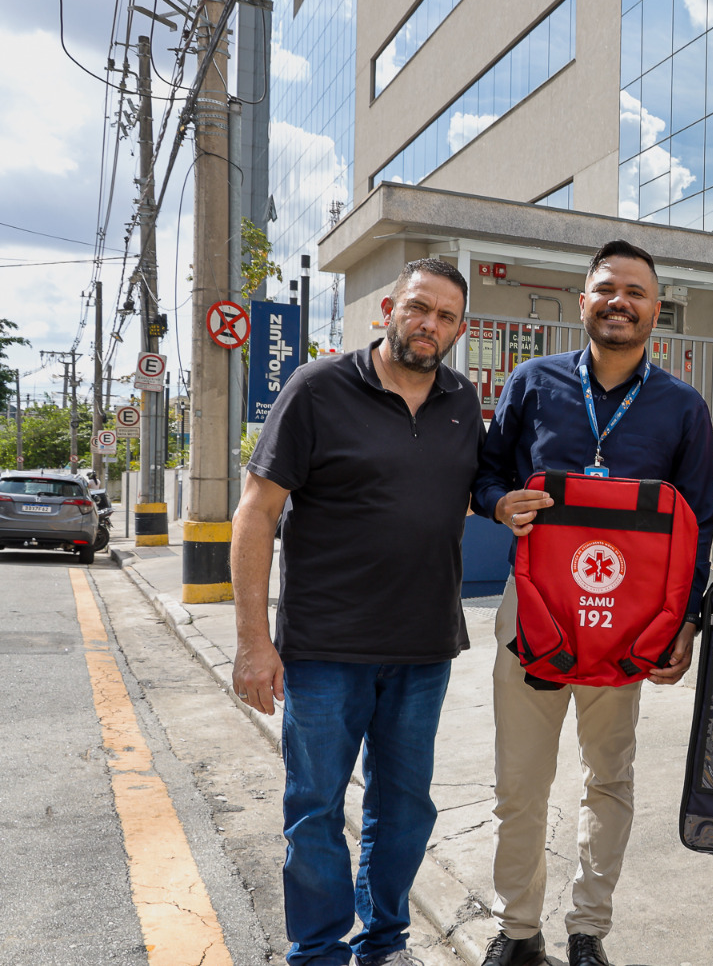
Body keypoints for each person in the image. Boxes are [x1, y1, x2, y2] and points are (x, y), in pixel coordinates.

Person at [231, 257, 482, 966]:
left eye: (445, 316)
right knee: (314, 808)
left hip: (423, 647)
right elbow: (256, 513)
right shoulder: (317, 389)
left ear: (459, 330)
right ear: (386, 309)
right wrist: (254, 640)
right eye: (418, 308)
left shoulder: (463, 401)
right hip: (324, 650)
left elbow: (467, 491)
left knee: (404, 811)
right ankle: (317, 953)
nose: (429, 324)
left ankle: (384, 941)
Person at [473, 239, 713, 966]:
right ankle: (518, 932)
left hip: (629, 624)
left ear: (656, 311)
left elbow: (697, 522)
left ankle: (588, 931)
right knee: (520, 783)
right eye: (607, 289)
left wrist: (687, 620)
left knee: (607, 779)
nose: (621, 302)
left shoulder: (681, 407)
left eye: (636, 292)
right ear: (584, 302)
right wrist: (496, 504)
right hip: (535, 614)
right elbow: (484, 475)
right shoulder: (533, 382)